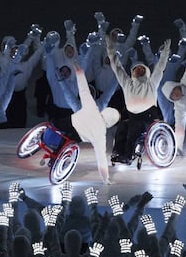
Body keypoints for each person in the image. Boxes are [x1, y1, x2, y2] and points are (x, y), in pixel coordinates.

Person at [50, 62, 120, 184]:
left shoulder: (93, 105)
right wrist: (105, 179)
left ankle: (54, 151)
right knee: (67, 141)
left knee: (59, 131)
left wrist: (79, 72)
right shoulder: (101, 133)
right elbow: (101, 158)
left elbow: (84, 89)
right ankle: (55, 157)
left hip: (69, 123)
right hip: (77, 134)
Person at [105, 35, 171, 164]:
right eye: (136, 69)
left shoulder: (151, 83)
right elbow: (117, 67)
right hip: (132, 116)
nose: (139, 71)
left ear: (146, 71)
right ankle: (118, 152)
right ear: (132, 72)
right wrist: (110, 48)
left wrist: (165, 52)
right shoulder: (127, 83)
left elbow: (160, 68)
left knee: (134, 128)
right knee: (122, 127)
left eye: (142, 69)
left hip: (148, 117)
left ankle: (128, 156)